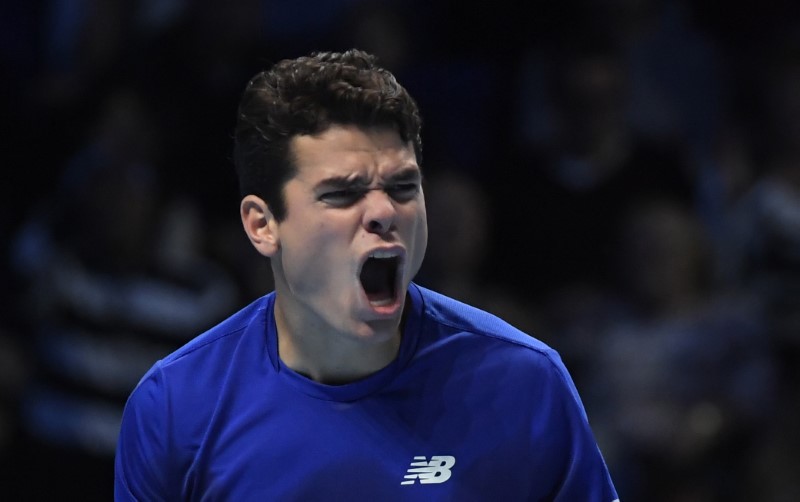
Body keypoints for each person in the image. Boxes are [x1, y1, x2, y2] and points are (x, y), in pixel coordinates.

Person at [114, 49, 619, 501]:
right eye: (342, 193)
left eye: (403, 186)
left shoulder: (524, 382)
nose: (383, 211)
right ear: (263, 225)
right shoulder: (175, 409)